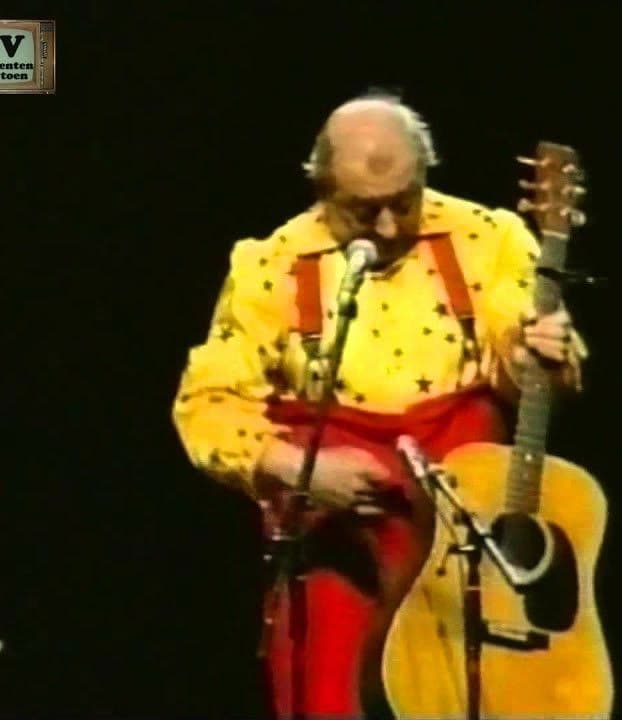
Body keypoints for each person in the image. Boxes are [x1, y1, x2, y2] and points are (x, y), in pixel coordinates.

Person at [171, 91, 587, 719]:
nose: (390, 228)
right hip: (343, 548)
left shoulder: (488, 237)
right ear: (322, 190)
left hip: (464, 551)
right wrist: (303, 471)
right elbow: (207, 405)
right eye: (365, 211)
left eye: (405, 202)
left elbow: (523, 350)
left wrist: (537, 357)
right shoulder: (270, 265)